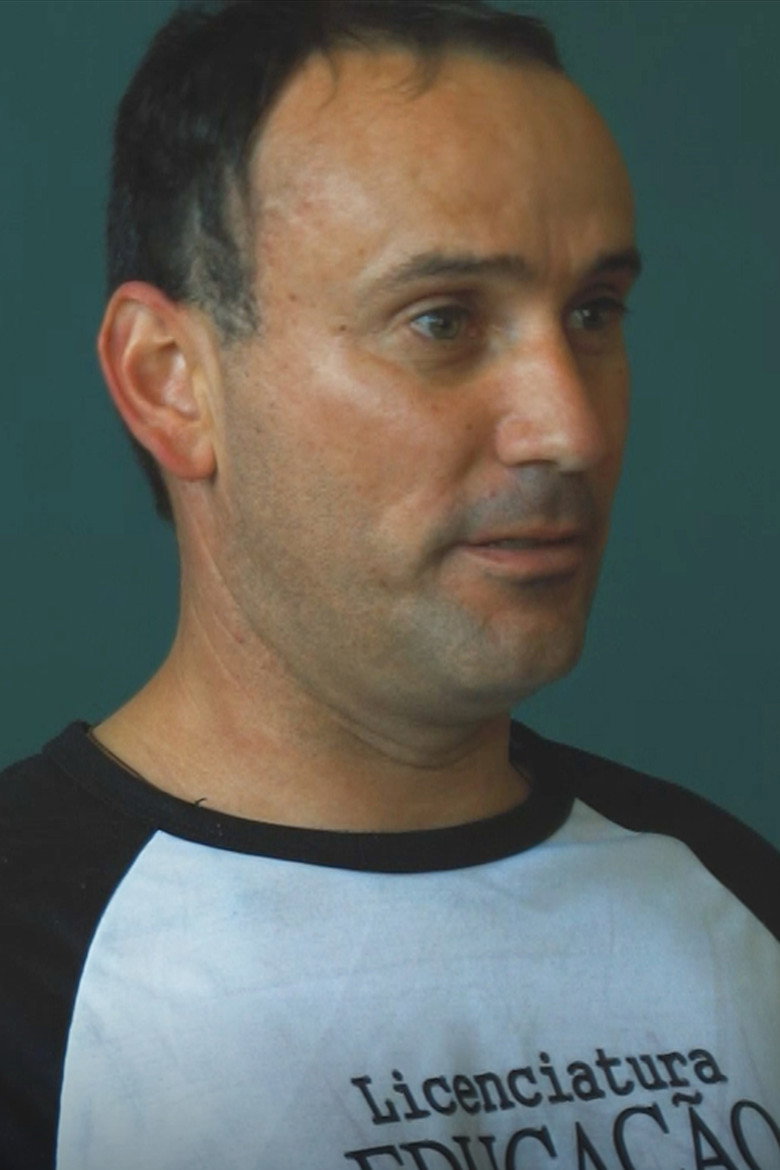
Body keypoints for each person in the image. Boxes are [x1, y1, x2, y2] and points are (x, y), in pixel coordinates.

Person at [1, 1, 777, 1167]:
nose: (569, 429)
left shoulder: (734, 900)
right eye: (442, 321)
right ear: (172, 383)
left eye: (593, 312)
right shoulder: (32, 974)